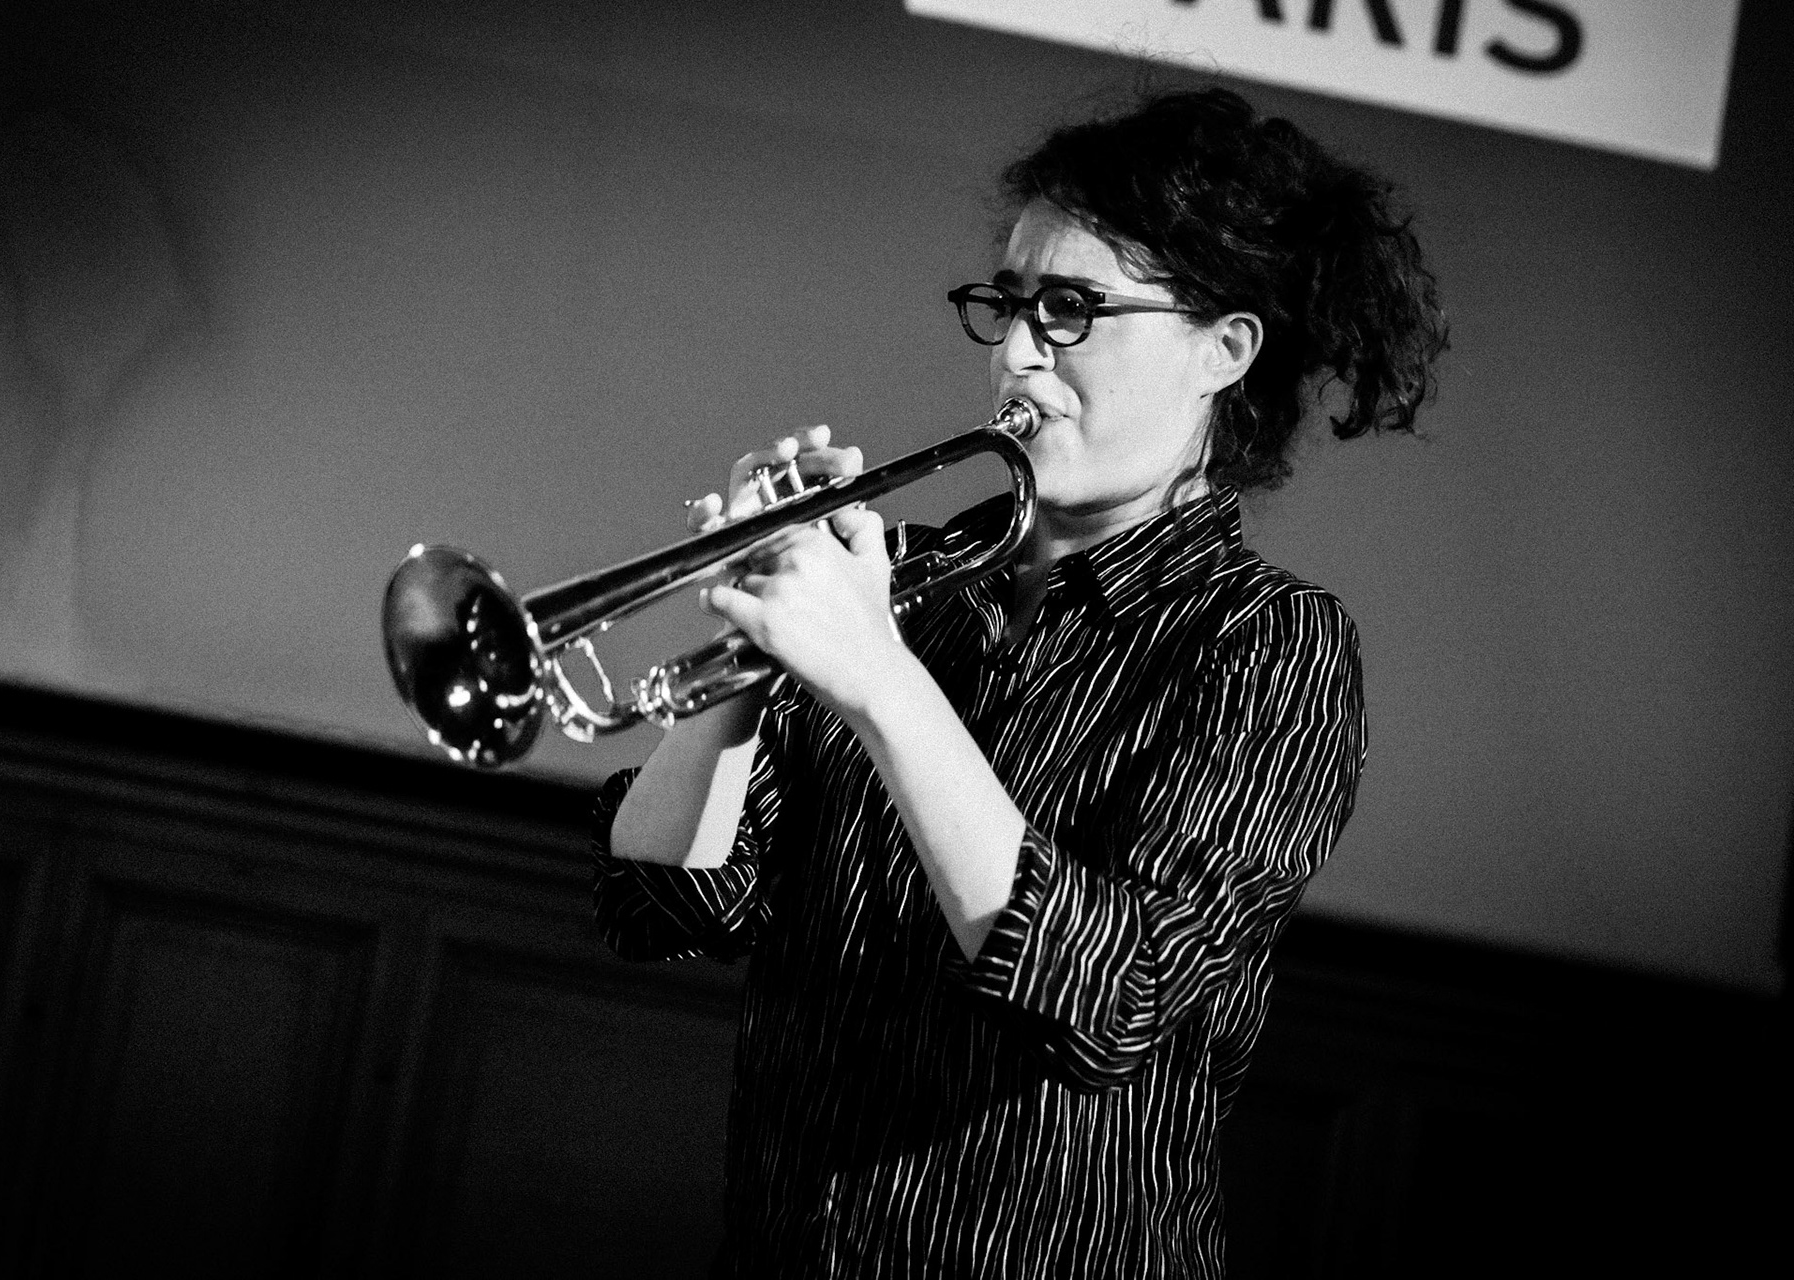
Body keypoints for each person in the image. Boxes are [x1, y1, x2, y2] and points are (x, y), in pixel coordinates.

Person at [591, 85, 1446, 1278]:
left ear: (1224, 347)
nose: (1019, 350)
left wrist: (882, 684)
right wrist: (746, 644)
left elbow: (1108, 995)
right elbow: (662, 904)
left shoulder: (1271, 643)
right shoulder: (911, 582)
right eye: (1010, 304)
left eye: (1074, 309)